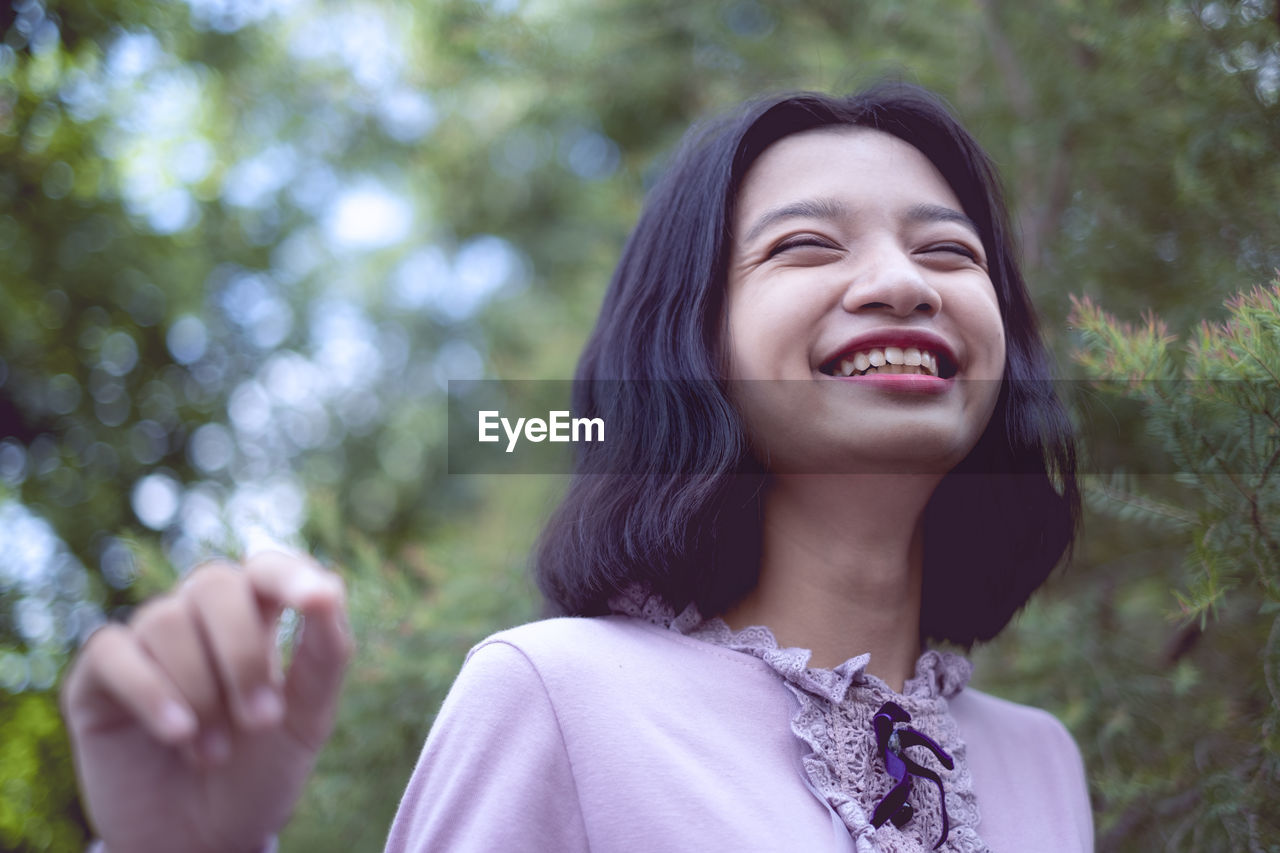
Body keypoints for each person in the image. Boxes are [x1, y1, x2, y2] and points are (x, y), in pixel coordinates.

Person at [61, 83, 1094, 852]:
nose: (899, 282)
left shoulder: (1041, 762)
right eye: (807, 246)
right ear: (689, 349)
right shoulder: (555, 696)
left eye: (949, 254)